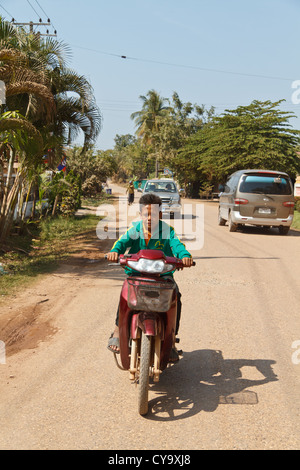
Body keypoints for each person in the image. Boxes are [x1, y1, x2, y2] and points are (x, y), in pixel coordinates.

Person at [106, 193, 193, 359]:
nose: (149, 218)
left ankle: (172, 339)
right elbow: (121, 242)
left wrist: (184, 256)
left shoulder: (167, 231)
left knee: (176, 297)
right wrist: (114, 252)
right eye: (146, 214)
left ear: (160, 215)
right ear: (140, 215)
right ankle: (117, 331)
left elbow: (178, 245)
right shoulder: (135, 230)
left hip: (163, 277)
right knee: (125, 295)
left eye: (153, 214)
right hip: (137, 275)